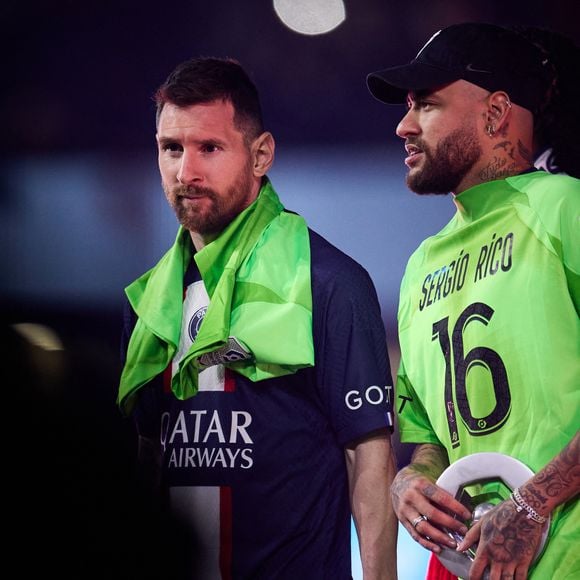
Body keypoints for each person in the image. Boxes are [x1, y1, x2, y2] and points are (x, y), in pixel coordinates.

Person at [118, 56, 398, 579]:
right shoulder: (145, 306)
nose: (186, 171)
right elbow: (146, 464)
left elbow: (370, 463)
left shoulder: (330, 283)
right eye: (171, 148)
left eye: (210, 148)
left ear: (261, 154)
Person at [366, 22, 579, 580]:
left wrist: (535, 503)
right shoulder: (420, 267)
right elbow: (437, 438)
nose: (403, 126)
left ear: (496, 112)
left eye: (427, 106)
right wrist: (411, 480)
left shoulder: (564, 209)